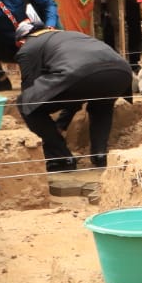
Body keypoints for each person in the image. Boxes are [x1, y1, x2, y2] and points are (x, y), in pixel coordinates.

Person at [15, 18, 134, 172]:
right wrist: (61, 125)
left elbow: (31, 95)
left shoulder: (28, 47)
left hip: (80, 74)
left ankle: (60, 158)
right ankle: (100, 155)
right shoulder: (72, 35)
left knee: (25, 103)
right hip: (121, 73)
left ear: (22, 41)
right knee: (101, 107)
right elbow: (75, 94)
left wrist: (47, 130)